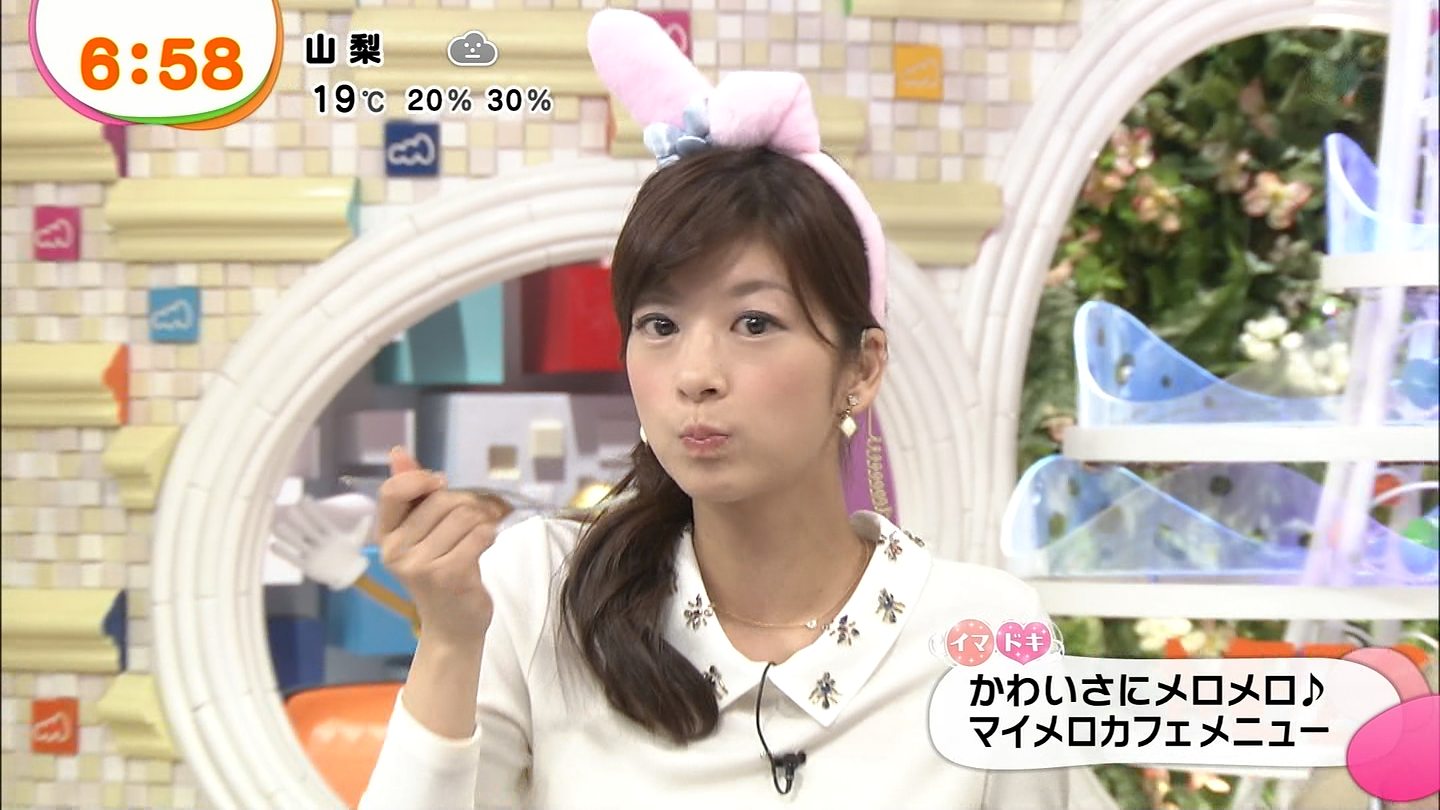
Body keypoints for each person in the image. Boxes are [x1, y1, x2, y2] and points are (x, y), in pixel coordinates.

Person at [359, 9, 1070, 809]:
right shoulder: (539, 593)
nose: (695, 374)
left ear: (862, 368)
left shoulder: (987, 634)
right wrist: (450, 642)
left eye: (755, 323)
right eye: (660, 325)